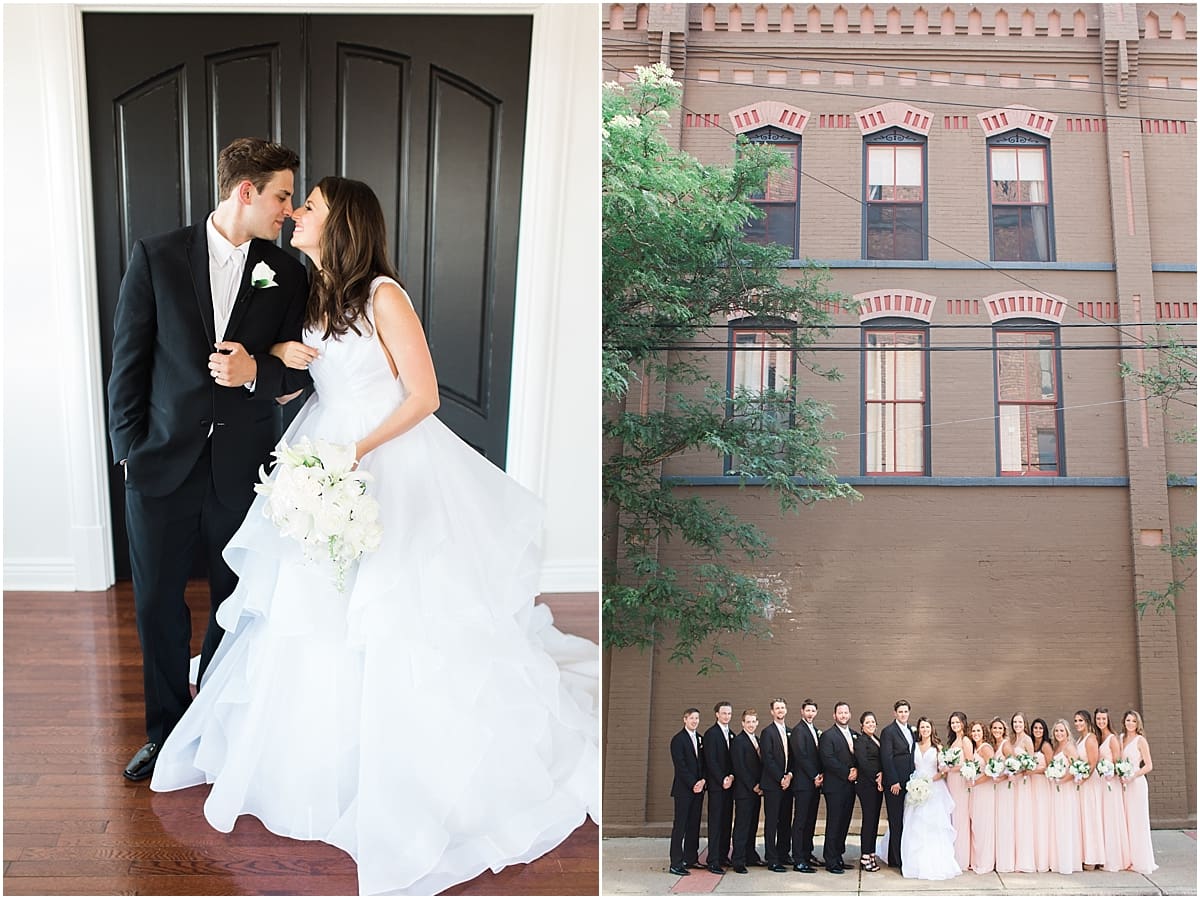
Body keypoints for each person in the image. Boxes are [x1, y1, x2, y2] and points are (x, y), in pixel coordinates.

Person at [148, 176, 598, 895]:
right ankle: (312, 760)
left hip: (384, 459)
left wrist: (353, 455)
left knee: (390, 609)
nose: (296, 214)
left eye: (311, 207)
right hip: (322, 453)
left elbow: (424, 396)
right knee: (309, 607)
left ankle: (400, 765)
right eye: (295, 204)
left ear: (342, 222)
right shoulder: (314, 291)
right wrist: (279, 368)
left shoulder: (385, 294)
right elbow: (311, 382)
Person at [108, 137, 312, 782]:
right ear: (245, 192)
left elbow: (303, 374)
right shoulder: (157, 256)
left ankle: (217, 730)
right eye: (281, 195)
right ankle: (166, 731)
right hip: (160, 465)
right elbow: (127, 367)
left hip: (242, 468)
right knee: (158, 604)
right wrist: (129, 454)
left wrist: (258, 370)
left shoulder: (289, 272)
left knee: (236, 598)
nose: (288, 210)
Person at [898, 717, 960, 880]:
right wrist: (916, 783)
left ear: (931, 729)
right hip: (915, 787)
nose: (925, 730)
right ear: (919, 729)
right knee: (914, 823)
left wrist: (930, 780)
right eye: (922, 727)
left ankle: (935, 860)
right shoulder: (914, 746)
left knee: (934, 824)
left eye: (927, 727)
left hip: (934, 788)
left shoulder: (938, 747)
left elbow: (943, 770)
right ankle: (914, 862)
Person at [817, 701, 858, 874]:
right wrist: (847, 771)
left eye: (846, 712)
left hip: (850, 786)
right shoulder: (828, 736)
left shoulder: (855, 734)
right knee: (834, 822)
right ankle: (830, 859)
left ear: (849, 714)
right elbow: (828, 759)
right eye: (840, 713)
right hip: (835, 786)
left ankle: (839, 856)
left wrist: (857, 770)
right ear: (834, 715)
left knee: (844, 822)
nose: (843, 715)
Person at [878, 699, 916, 869]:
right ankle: (896, 858)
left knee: (906, 819)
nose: (903, 714)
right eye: (900, 712)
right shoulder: (888, 732)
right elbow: (886, 758)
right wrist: (893, 780)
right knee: (895, 820)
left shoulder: (911, 730)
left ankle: (904, 854)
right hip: (895, 784)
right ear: (895, 713)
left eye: (905, 711)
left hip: (910, 782)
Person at [669, 708, 706, 876]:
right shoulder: (678, 740)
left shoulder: (700, 739)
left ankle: (691, 858)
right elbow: (681, 766)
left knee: (694, 825)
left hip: (699, 789)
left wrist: (703, 781)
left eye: (697, 718)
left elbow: (704, 764)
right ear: (685, 719)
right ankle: (676, 863)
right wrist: (693, 783)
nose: (695, 721)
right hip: (684, 790)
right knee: (680, 826)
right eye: (692, 718)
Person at [787, 698, 823, 872]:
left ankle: (807, 853)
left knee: (810, 820)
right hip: (803, 783)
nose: (810, 714)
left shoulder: (815, 730)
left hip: (815, 783)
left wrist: (820, 776)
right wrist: (815, 775)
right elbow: (801, 756)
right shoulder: (798, 731)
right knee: (800, 821)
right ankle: (798, 858)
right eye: (807, 710)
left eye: (813, 711)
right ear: (802, 711)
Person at [758, 697, 794, 871]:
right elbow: (768, 759)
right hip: (773, 784)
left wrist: (789, 776)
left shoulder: (790, 731)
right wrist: (780, 777)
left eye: (782, 708)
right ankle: (772, 858)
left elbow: (793, 758)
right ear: (772, 712)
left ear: (786, 710)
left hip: (788, 784)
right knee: (772, 821)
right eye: (777, 708)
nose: (780, 710)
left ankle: (783, 853)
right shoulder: (767, 732)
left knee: (785, 820)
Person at [1094, 707, 1131, 873]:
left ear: (1108, 720)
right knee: (1102, 818)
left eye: (1103, 719)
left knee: (1111, 818)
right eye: (1098, 719)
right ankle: (1103, 855)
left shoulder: (1112, 739)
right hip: (1100, 783)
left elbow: (1118, 762)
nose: (1101, 721)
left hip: (1111, 783)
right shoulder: (1099, 737)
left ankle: (1114, 858)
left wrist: (1111, 771)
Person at [1120, 709, 1157, 874]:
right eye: (1128, 720)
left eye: (1133, 721)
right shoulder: (1121, 738)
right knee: (1127, 822)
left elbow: (1149, 765)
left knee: (1137, 821)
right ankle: (1128, 859)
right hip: (1123, 784)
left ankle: (1141, 860)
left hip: (1137, 784)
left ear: (1138, 723)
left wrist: (1133, 775)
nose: (1130, 724)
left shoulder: (1140, 740)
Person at [730, 709, 765, 873]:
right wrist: (753, 785)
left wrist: (761, 785)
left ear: (757, 723)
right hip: (745, 791)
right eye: (748, 722)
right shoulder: (739, 741)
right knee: (742, 826)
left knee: (752, 825)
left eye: (753, 722)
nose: (751, 724)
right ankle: (738, 860)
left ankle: (750, 855)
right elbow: (740, 768)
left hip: (756, 791)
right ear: (743, 723)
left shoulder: (757, 740)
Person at [703, 702, 736, 873]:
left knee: (725, 822)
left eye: (729, 713)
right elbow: (711, 760)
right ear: (717, 714)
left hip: (729, 786)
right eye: (723, 713)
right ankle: (713, 859)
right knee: (715, 823)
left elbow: (733, 760)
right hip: (717, 786)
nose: (726, 716)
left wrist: (731, 776)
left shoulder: (731, 734)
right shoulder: (711, 734)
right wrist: (722, 778)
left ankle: (723, 855)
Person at [1049, 718, 1082, 874]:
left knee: (1066, 824)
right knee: (1058, 824)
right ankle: (1059, 860)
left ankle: (1068, 863)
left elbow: (1076, 767)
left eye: (1062, 730)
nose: (1059, 733)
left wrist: (1062, 780)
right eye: (1056, 731)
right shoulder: (1057, 747)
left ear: (1067, 732)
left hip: (1066, 790)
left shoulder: (1069, 747)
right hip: (1057, 790)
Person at [1074, 709, 1106, 869]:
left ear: (1087, 721)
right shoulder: (1080, 739)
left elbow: (1093, 763)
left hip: (1090, 782)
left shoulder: (1091, 738)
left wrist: (1083, 778)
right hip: (1082, 782)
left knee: (1091, 817)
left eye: (1081, 720)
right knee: (1084, 818)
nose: (1078, 723)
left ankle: (1094, 858)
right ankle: (1087, 854)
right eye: (1076, 721)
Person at [942, 711, 974, 870]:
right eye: (952, 723)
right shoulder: (953, 741)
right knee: (953, 816)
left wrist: (951, 768)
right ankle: (952, 853)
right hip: (951, 782)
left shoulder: (966, 741)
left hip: (960, 781)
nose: (955, 725)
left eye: (957, 722)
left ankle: (962, 858)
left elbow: (969, 763)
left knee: (961, 817)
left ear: (963, 723)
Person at [854, 711, 884, 873]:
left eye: (873, 722)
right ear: (862, 725)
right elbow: (863, 763)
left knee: (874, 821)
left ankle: (871, 852)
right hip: (867, 785)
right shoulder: (861, 741)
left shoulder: (875, 739)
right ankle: (865, 856)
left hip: (877, 786)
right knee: (868, 820)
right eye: (867, 722)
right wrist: (876, 778)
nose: (871, 724)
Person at [967, 720, 996, 874]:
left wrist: (976, 781)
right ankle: (977, 859)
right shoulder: (975, 748)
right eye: (973, 731)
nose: (976, 734)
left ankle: (985, 862)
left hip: (984, 789)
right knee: (976, 825)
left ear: (984, 732)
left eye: (978, 731)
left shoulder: (986, 748)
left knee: (983, 825)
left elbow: (993, 771)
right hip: (976, 790)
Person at [1009, 713, 1036, 872]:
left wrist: (1019, 772)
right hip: (1014, 783)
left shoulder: (1027, 740)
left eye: (1019, 722)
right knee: (1014, 819)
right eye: (1014, 722)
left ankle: (1025, 860)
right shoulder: (1012, 740)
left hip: (1023, 782)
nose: (1017, 724)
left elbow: (1030, 763)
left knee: (1023, 818)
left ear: (1024, 723)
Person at [990, 717, 1015, 873]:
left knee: (1004, 822)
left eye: (1000, 728)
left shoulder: (1005, 745)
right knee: (996, 823)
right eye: (994, 728)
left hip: (1004, 787)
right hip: (995, 789)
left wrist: (1002, 778)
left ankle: (1006, 861)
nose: (997, 731)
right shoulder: (994, 745)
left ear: (1004, 730)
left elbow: (1013, 767)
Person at [1028, 717, 1054, 872]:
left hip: (1042, 784)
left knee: (1042, 819)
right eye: (1035, 728)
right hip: (1031, 785)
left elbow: (1050, 767)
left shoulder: (1046, 746)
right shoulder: (1032, 744)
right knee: (1034, 820)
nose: (1037, 731)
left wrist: (1034, 771)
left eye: (1040, 728)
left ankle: (1043, 860)